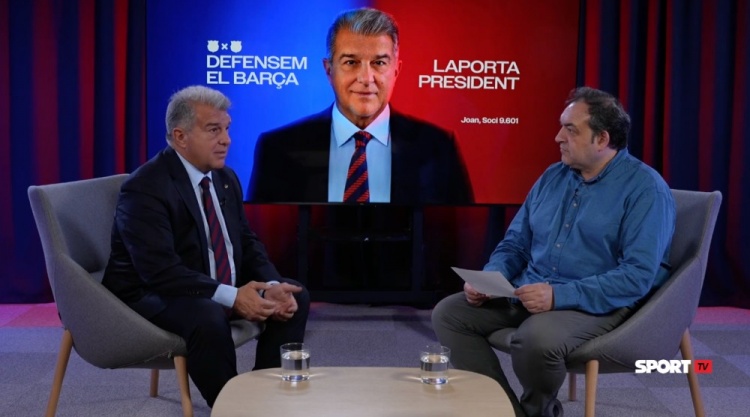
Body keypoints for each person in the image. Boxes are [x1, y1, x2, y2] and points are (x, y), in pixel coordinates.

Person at [431, 86, 676, 417]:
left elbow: (636, 276)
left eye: (570, 130)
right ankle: (504, 411)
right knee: (449, 314)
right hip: (529, 291)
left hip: (598, 303)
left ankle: (538, 411)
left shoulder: (646, 190)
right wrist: (490, 279)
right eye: (561, 127)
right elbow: (516, 243)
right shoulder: (552, 176)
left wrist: (558, 296)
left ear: (602, 139)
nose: (558, 137)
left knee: (536, 339)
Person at [102, 85, 309, 407]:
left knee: (295, 296)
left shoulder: (225, 178)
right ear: (180, 136)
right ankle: (233, 409)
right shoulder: (145, 188)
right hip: (151, 294)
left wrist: (271, 285)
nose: (226, 140)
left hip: (203, 282)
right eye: (214, 130)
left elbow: (246, 241)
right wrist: (232, 296)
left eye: (227, 129)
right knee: (207, 315)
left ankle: (263, 400)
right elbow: (159, 272)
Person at [247, 7, 473, 205]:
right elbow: (260, 235)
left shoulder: (438, 148)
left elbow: (461, 232)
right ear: (329, 70)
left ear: (396, 70)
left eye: (379, 63)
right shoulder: (278, 148)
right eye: (351, 62)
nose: (366, 78)